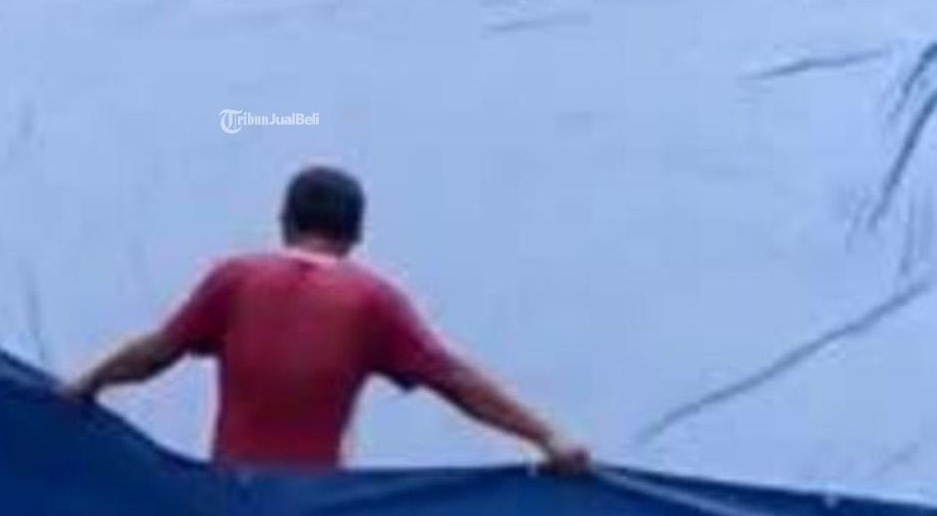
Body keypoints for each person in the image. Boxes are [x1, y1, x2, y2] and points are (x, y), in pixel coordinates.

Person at [65, 165, 590, 472]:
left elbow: (156, 352)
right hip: (314, 508)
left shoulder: (235, 279)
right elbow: (456, 381)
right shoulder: (372, 301)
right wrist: (548, 436)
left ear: (284, 223)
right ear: (357, 235)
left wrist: (88, 382)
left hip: (229, 498)